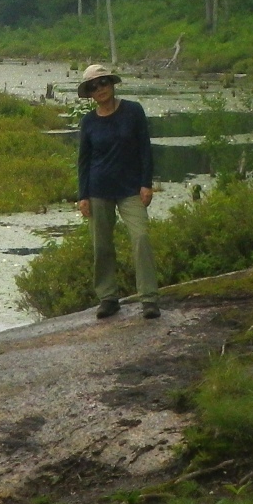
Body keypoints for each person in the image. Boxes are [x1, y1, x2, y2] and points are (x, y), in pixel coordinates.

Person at [75, 64, 159, 319]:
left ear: (112, 83)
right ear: (89, 93)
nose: (100, 89)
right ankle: (108, 297)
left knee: (141, 237)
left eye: (103, 83)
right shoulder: (88, 122)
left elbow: (145, 149)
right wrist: (82, 195)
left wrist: (146, 183)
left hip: (131, 188)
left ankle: (149, 298)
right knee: (102, 245)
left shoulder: (133, 111)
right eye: (93, 86)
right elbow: (84, 161)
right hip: (98, 189)